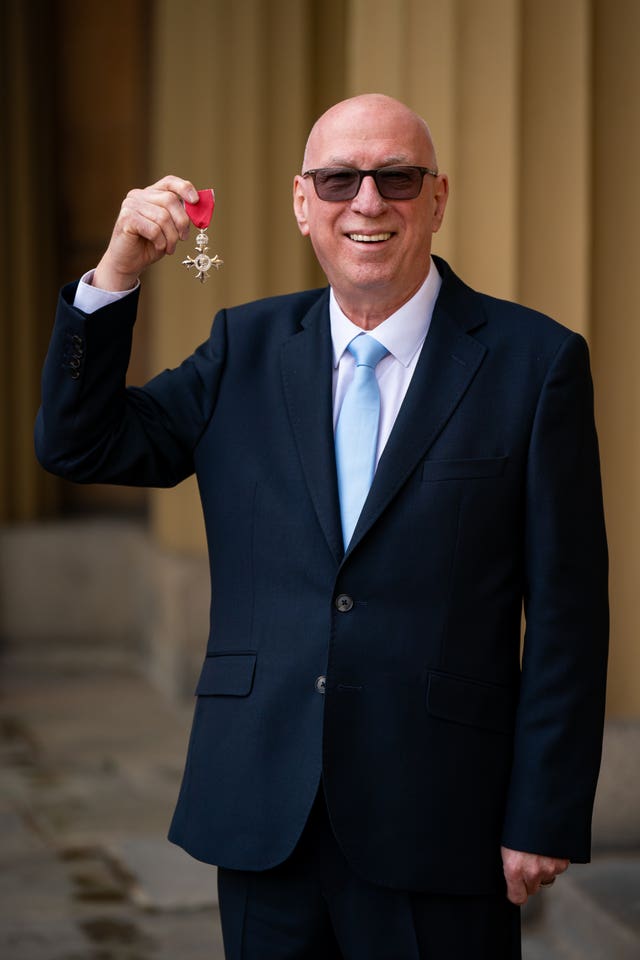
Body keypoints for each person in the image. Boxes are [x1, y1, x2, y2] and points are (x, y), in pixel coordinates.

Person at [35, 94, 609, 959]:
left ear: (438, 198)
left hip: (443, 823)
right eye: (340, 179)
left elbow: (569, 613)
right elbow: (79, 444)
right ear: (304, 203)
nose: (368, 202)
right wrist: (115, 275)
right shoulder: (241, 348)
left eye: (397, 178)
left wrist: (546, 810)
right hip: (263, 813)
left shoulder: (536, 364)